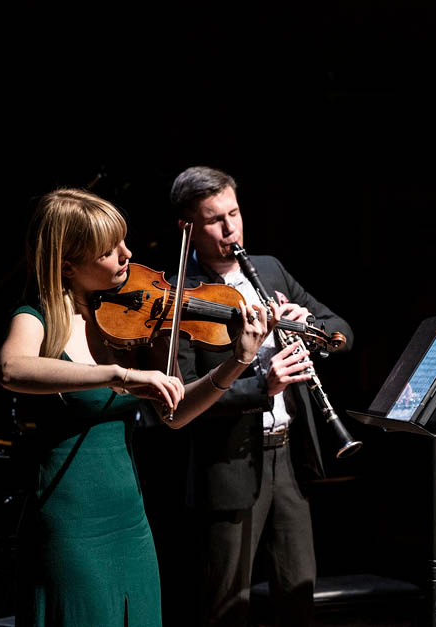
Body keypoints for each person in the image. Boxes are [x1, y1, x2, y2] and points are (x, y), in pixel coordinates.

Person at [0, 188, 277, 626]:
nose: (128, 254)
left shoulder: (132, 318)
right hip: (70, 521)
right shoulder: (36, 317)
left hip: (130, 518)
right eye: (110, 251)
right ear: (68, 265)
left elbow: (176, 413)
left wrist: (237, 360)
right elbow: (12, 370)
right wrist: (120, 376)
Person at [165, 166, 353, 627]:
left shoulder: (269, 269)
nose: (231, 228)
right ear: (187, 227)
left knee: (298, 593)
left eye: (234, 212)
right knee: (228, 604)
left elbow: (342, 331)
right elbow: (180, 400)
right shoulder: (177, 294)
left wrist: (309, 326)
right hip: (227, 466)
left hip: (288, 457)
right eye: (215, 220)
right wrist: (261, 385)